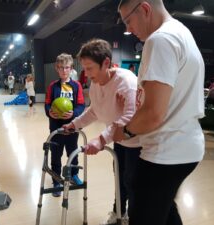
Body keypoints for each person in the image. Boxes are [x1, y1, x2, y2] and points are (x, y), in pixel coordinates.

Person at [113, 1, 205, 225]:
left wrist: (124, 130)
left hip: (166, 152)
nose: (129, 29)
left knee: (146, 213)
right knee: (165, 211)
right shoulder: (181, 32)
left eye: (128, 21)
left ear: (144, 9)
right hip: (185, 146)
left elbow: (154, 113)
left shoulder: (160, 40)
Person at [63, 39, 141, 225]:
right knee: (120, 179)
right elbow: (94, 110)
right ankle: (119, 213)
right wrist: (75, 125)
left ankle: (135, 218)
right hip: (120, 140)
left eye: (90, 68)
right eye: (84, 68)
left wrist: (101, 139)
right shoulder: (97, 82)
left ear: (106, 63)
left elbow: (130, 118)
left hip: (139, 143)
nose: (86, 74)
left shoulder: (126, 82)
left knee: (134, 184)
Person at [45, 53, 85, 197]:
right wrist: (50, 112)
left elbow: (81, 105)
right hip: (56, 127)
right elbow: (47, 103)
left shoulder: (77, 86)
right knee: (56, 154)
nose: (64, 71)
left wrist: (74, 113)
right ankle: (56, 180)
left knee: (72, 152)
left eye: (67, 67)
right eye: (61, 68)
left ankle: (74, 174)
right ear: (57, 68)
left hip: (72, 126)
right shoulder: (52, 86)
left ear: (71, 68)